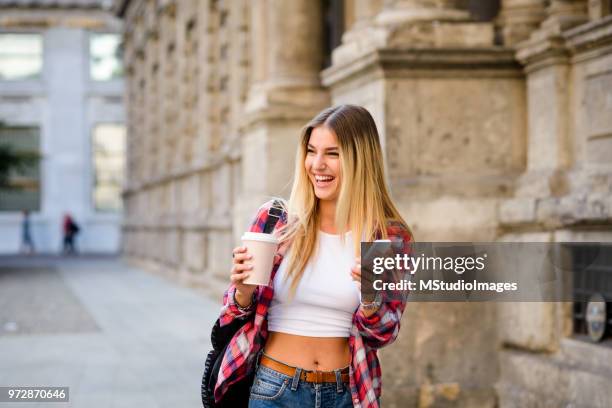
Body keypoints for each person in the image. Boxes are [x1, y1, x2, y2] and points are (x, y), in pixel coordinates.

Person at [215, 105, 413, 408]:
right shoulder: (275, 221)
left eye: (332, 154)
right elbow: (231, 314)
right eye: (311, 151)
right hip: (274, 389)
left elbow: (384, 334)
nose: (317, 165)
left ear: (360, 160)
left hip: (346, 393)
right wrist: (242, 293)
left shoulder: (386, 237)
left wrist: (371, 300)